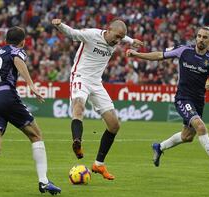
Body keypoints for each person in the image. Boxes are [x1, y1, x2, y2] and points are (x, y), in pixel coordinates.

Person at [0, 26, 61, 195]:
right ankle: (44, 182)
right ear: (22, 42)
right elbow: (17, 60)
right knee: (36, 135)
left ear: (5, 40)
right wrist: (31, 84)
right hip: (5, 95)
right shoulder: (15, 50)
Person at [126, 26, 209, 176]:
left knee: (187, 137)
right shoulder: (184, 51)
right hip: (183, 98)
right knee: (200, 127)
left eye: (204, 37)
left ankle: (159, 147)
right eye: (199, 36)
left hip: (198, 101)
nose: (201, 39)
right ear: (196, 37)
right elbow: (159, 55)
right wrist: (138, 54)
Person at [52, 18, 143, 180]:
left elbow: (122, 36)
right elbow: (72, 34)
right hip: (80, 76)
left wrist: (131, 41)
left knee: (114, 125)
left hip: (96, 83)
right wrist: (59, 25)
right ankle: (77, 143)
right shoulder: (91, 35)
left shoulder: (117, 39)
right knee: (78, 107)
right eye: (116, 37)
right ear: (108, 30)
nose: (117, 41)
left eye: (120, 39)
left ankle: (98, 164)